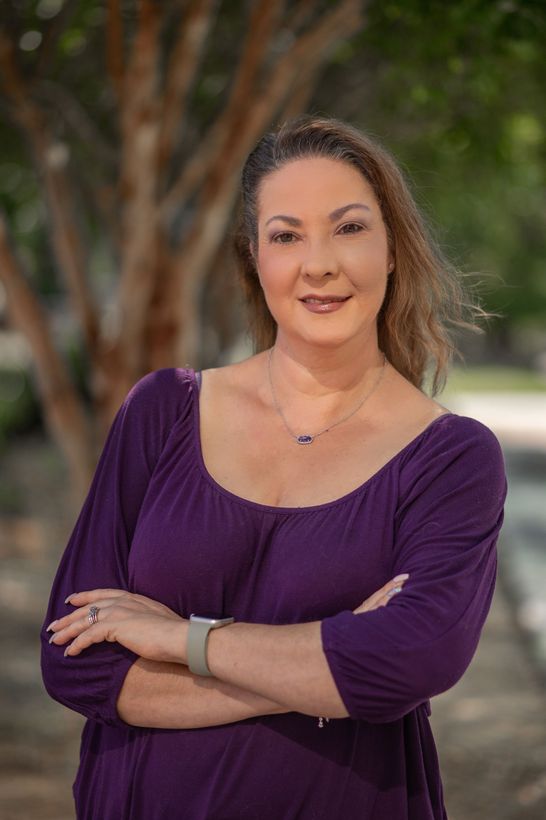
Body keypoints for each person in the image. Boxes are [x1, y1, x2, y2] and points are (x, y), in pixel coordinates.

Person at [41, 115, 507, 820]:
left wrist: (179, 640)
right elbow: (78, 663)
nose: (318, 264)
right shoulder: (164, 412)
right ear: (256, 260)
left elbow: (407, 664)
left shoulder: (451, 459)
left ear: (391, 250)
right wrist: (326, 665)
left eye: (349, 228)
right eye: (287, 235)